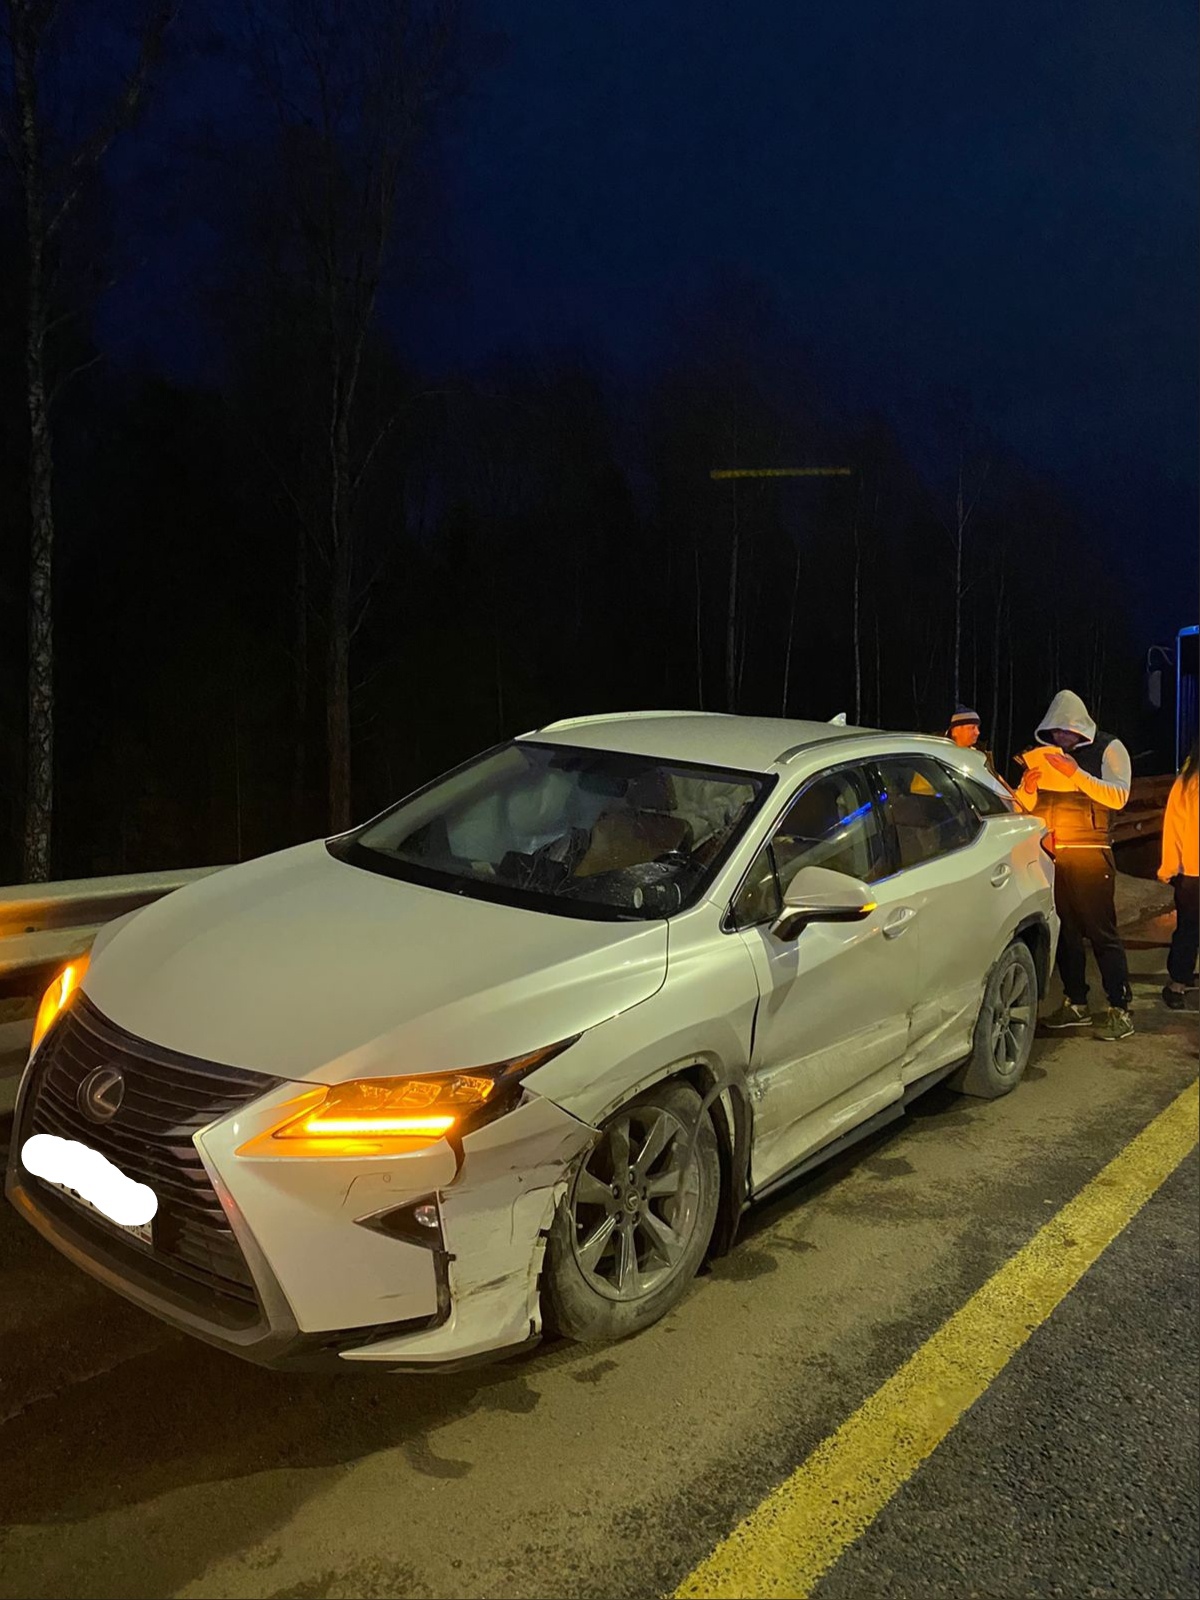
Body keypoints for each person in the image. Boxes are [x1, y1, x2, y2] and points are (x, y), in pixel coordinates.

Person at [1014, 689, 1134, 1042]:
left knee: (1101, 932)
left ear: (1079, 727)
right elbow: (1022, 808)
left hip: (1091, 853)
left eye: (1064, 732)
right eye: (1054, 733)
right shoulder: (1048, 755)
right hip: (1054, 855)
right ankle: (1076, 1002)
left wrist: (1075, 772)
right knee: (1064, 932)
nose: (1059, 738)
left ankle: (1120, 1007)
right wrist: (1028, 787)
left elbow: (1119, 796)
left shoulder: (1109, 748)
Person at [1158, 737, 1198, 1010]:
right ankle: (1180, 981)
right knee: (1189, 928)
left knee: (1188, 928)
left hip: (1192, 871)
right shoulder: (1188, 782)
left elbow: (1173, 828)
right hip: (1193, 869)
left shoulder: (1187, 782)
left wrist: (1170, 867)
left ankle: (1178, 984)